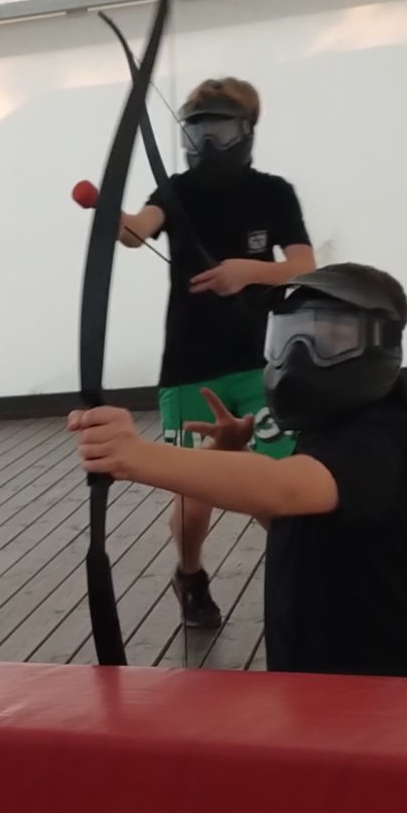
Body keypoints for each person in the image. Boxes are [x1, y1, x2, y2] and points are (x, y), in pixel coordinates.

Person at [69, 265, 407, 679]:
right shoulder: (327, 437)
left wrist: (135, 455)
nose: (301, 353)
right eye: (289, 337)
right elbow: (289, 518)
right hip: (320, 687)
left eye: (332, 339)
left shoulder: (384, 442)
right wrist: (236, 450)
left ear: (381, 345)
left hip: (390, 694)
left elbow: (283, 489)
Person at [114, 77, 317, 630]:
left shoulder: (273, 192)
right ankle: (190, 575)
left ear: (247, 130)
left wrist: (245, 272)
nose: (207, 142)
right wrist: (117, 218)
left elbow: (303, 266)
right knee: (192, 490)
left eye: (220, 129)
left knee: (277, 482)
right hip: (189, 369)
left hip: (260, 364)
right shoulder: (175, 191)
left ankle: (305, 574)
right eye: (196, 130)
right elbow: (138, 229)